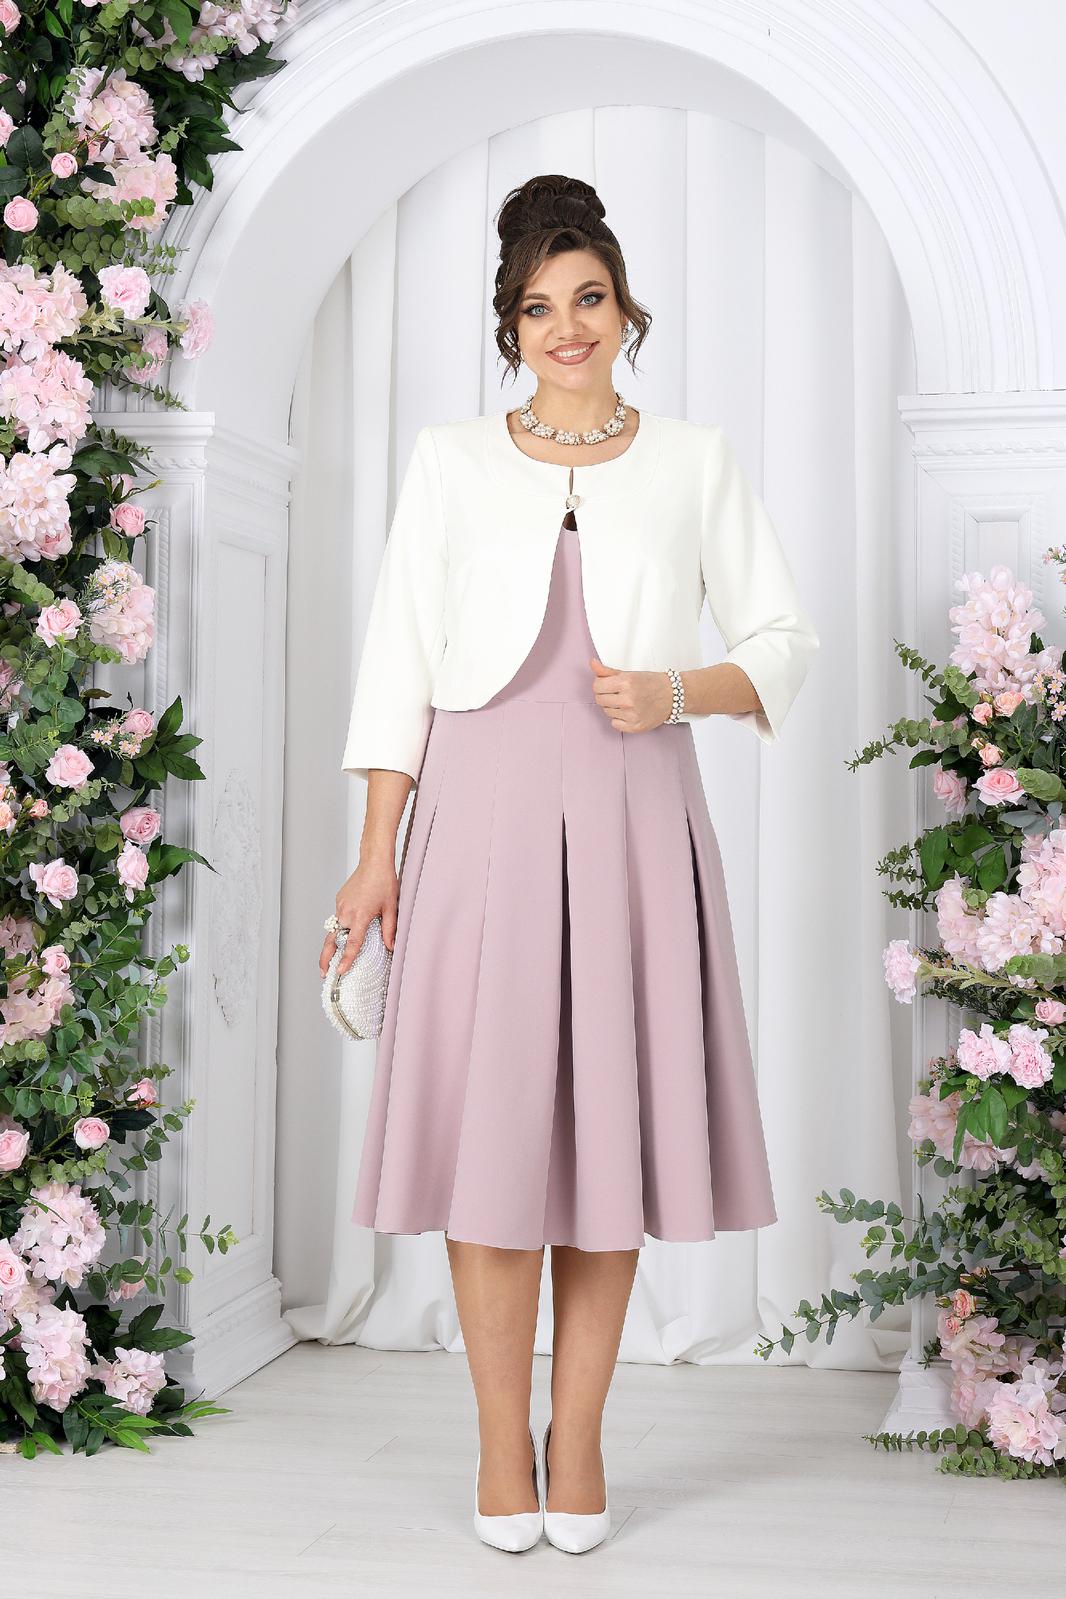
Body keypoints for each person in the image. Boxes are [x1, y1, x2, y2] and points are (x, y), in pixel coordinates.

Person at [319, 174, 820, 1555]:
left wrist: (677, 691)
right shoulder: (449, 461)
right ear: (510, 327)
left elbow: (784, 642)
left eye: (588, 297)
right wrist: (373, 858)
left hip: (633, 819)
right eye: (539, 308)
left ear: (623, 305)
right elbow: (397, 662)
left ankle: (580, 1436)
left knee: (609, 1141)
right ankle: (500, 1441)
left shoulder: (695, 460)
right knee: (489, 1146)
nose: (568, 327)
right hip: (472, 816)